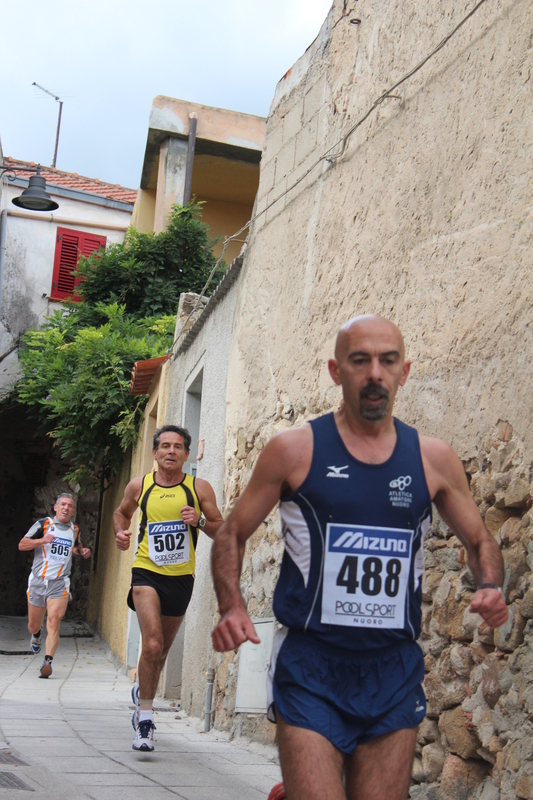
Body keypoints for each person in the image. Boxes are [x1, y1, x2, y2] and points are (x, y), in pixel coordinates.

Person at [211, 315, 509, 800]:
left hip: (392, 669)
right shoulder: (294, 450)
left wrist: (492, 585)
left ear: (404, 371)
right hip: (311, 665)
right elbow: (232, 533)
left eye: (387, 361)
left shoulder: (432, 459)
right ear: (336, 371)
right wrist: (231, 605)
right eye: (360, 361)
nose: (375, 373)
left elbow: (480, 541)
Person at [114, 424, 223, 752]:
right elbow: (122, 514)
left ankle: (141, 693)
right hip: (146, 572)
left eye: (178, 447)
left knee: (160, 652)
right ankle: (145, 720)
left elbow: (222, 529)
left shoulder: (198, 489)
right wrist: (121, 534)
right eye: (165, 446)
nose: (171, 451)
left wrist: (200, 521)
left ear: (187, 454)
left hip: (181, 578)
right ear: (155, 452)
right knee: (152, 644)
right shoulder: (140, 486)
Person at [19, 493, 91, 679]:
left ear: (73, 511)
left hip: (59, 582)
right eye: (63, 505)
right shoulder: (43, 524)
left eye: (70, 506)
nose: (66, 508)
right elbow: (22, 544)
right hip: (38, 581)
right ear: (56, 507)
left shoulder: (74, 529)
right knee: (33, 624)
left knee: (54, 620)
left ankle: (48, 661)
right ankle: (36, 635)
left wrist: (81, 551)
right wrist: (42, 540)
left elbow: (74, 547)